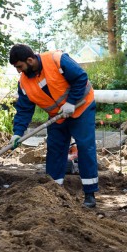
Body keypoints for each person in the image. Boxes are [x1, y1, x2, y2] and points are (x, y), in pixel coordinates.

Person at [8, 43, 99, 208]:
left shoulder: (57, 59)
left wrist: (71, 102)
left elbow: (81, 77)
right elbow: (23, 110)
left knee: (85, 147)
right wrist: (18, 133)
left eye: (20, 66)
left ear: (30, 60)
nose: (19, 71)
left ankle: (90, 194)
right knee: (55, 150)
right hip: (57, 117)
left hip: (81, 108)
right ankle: (53, 192)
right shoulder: (23, 84)